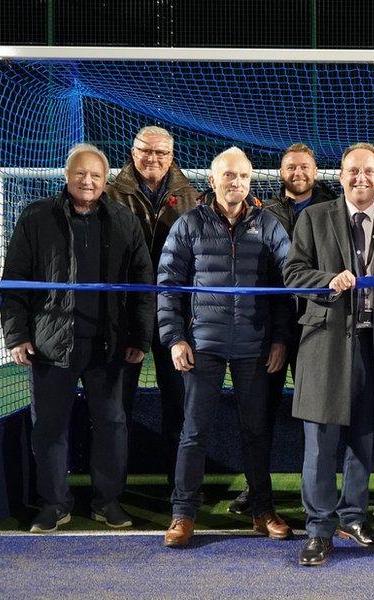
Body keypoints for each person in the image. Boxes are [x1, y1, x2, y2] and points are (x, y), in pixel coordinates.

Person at [1, 143, 154, 533]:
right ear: (67, 175)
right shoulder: (36, 217)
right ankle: (54, 505)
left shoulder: (124, 219)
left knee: (112, 424)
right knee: (49, 427)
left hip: (109, 345)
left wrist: (140, 336)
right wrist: (17, 335)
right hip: (51, 346)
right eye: (81, 174)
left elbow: (142, 284)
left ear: (105, 182)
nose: (88, 181)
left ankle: (108, 502)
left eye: (96, 176)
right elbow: (14, 282)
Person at [284, 143, 374, 567]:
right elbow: (292, 274)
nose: (361, 178)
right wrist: (328, 280)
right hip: (324, 344)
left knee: (363, 438)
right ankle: (319, 529)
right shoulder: (313, 216)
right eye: (353, 171)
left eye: (369, 172)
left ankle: (354, 517)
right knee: (321, 443)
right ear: (340, 176)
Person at [159, 147, 294, 548]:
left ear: (251, 181)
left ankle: (262, 510)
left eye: (244, 177)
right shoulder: (188, 225)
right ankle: (183, 515)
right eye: (229, 176)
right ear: (213, 180)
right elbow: (167, 286)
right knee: (194, 433)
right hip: (204, 347)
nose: (236, 183)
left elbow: (286, 288)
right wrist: (176, 338)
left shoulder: (269, 224)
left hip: (255, 348)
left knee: (256, 433)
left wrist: (280, 339)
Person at [228, 142, 336, 516]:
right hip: (270, 326)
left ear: (316, 171)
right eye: (291, 167)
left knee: (319, 414)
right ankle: (256, 488)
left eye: (305, 167)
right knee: (260, 413)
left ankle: (319, 493)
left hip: (317, 327)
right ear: (280, 172)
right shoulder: (262, 213)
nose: (298, 173)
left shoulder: (333, 210)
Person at [107, 126, 199, 481]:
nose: (153, 158)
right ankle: (115, 488)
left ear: (171, 157)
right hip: (124, 315)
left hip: (175, 313)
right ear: (133, 152)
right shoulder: (111, 194)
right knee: (117, 403)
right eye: (146, 151)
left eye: (161, 153)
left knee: (178, 400)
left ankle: (179, 486)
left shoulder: (190, 195)